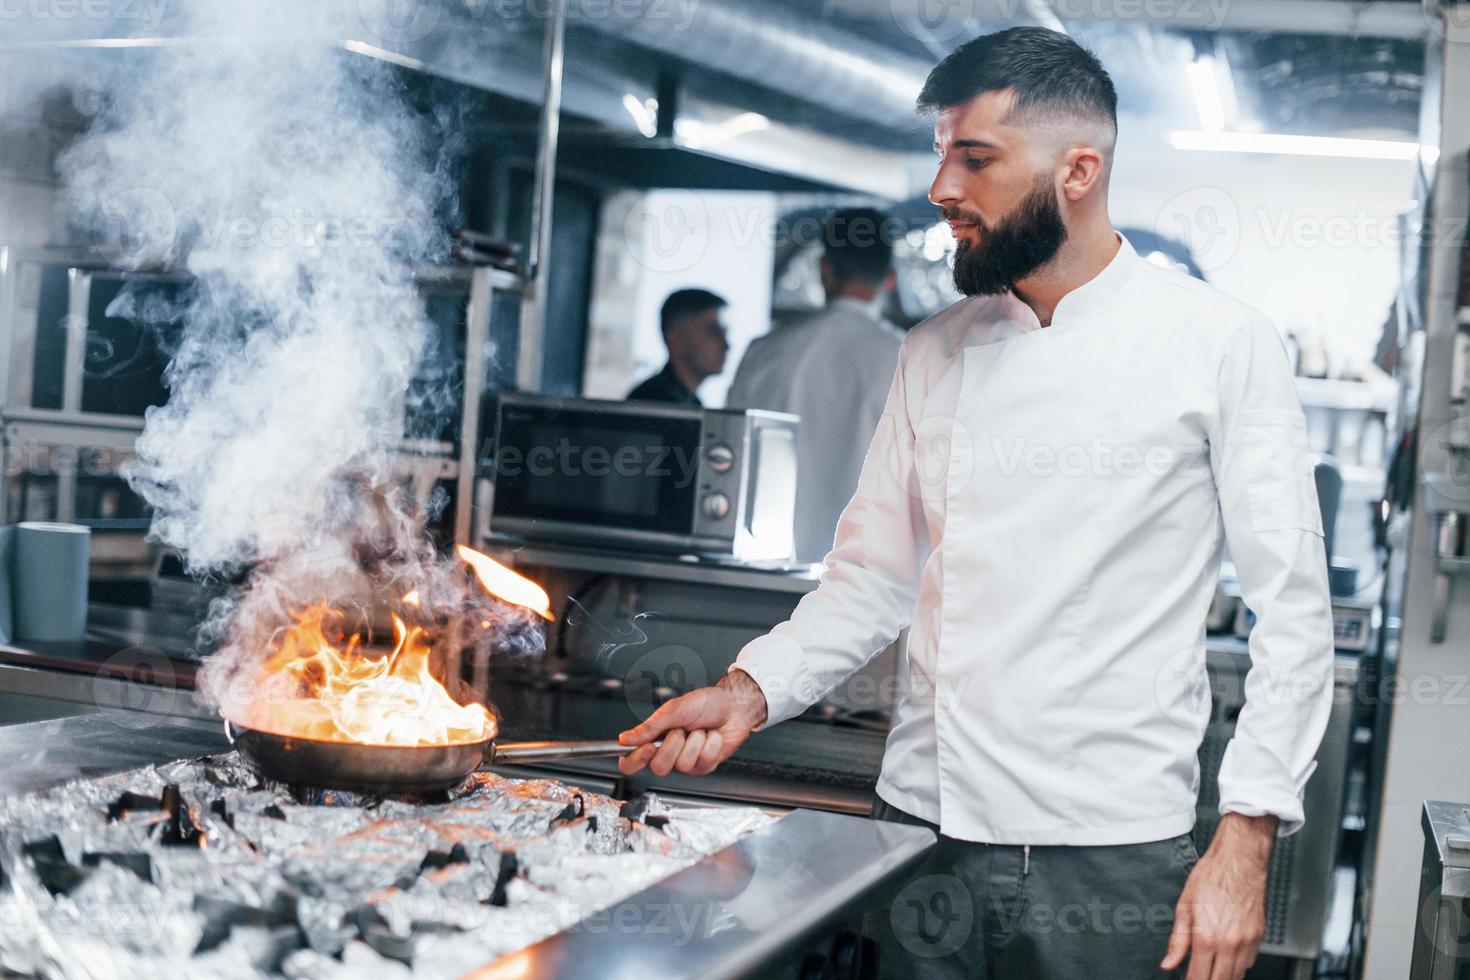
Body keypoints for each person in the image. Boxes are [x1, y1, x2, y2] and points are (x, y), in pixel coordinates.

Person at [617, 27, 1333, 980]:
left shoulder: (1220, 344)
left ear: (1078, 170)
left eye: (976, 157)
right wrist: (750, 691)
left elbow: (1295, 614)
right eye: (941, 152)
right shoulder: (934, 348)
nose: (941, 187)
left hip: (1109, 857)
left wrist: (1245, 841)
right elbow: (871, 579)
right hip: (922, 837)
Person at [727, 208, 904, 564]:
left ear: (824, 270)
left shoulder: (763, 353)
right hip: (866, 579)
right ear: (889, 280)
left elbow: (728, 459)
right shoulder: (910, 360)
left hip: (761, 569)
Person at [626, 288, 730, 406]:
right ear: (677, 339)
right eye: (713, 331)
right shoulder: (653, 404)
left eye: (725, 332)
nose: (726, 345)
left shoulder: (688, 403)